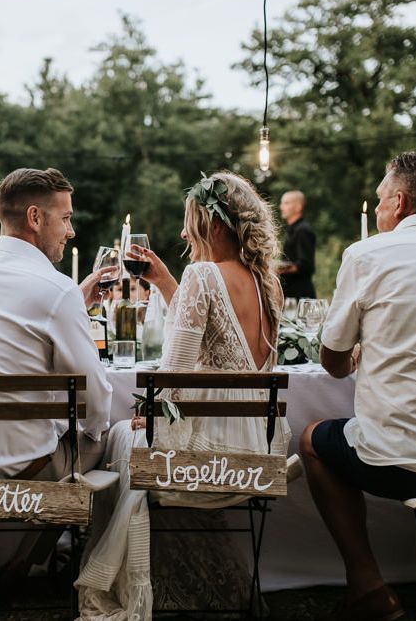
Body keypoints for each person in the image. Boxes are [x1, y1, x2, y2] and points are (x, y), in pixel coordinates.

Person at [76, 171, 291, 619]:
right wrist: (167, 283)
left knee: (120, 436)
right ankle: (191, 576)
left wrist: (150, 416)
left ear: (213, 227)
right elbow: (220, 342)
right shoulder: (268, 282)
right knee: (129, 435)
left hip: (205, 451)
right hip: (254, 447)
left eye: (189, 222)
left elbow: (174, 375)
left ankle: (133, 585)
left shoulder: (203, 274)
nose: (182, 233)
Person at [300, 150, 416, 621]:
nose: (379, 208)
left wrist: (361, 352)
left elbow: (334, 364)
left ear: (400, 202)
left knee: (312, 439)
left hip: (399, 465)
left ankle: (369, 585)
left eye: (381, 199)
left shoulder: (366, 255)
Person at [0, 168, 112, 610]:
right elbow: (94, 395)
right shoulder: (57, 289)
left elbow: (3, 328)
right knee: (96, 443)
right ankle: (21, 568)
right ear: (35, 217)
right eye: (65, 218)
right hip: (28, 464)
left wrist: (71, 303)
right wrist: (93, 431)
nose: (71, 231)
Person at [278, 190, 316, 298]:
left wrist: (277, 269)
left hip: (300, 296)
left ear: (298, 207)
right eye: (282, 203)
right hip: (290, 293)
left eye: (286, 203)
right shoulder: (293, 230)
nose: (281, 207)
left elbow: (305, 265)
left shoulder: (303, 230)